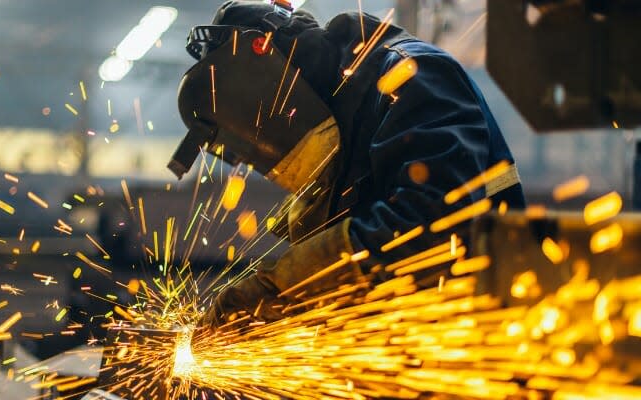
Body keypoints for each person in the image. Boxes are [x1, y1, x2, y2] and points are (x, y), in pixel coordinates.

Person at [170, 0, 525, 330]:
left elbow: (433, 227)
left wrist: (283, 291)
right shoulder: (340, 123)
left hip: (475, 334)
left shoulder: (409, 75)